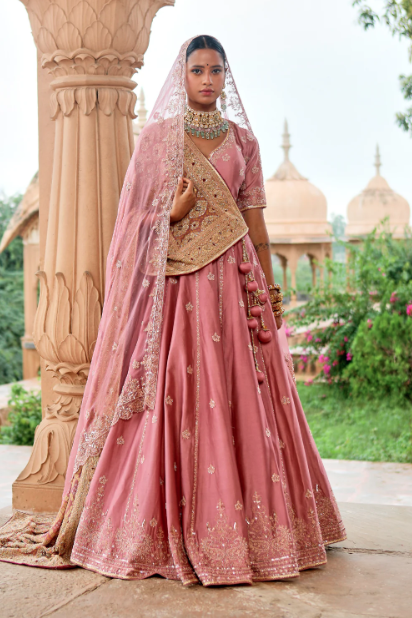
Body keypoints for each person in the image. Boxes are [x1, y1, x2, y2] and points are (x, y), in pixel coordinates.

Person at [0, 35, 345, 586]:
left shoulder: (244, 142)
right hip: (177, 295)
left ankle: (255, 532)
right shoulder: (158, 138)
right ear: (182, 77)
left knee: (244, 394)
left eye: (216, 71)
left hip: (235, 287)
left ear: (225, 78)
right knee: (179, 395)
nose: (207, 79)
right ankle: (159, 527)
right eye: (198, 70)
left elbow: (255, 226)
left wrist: (270, 290)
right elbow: (130, 225)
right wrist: (174, 213)